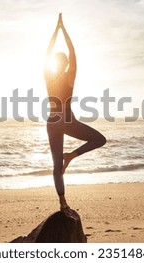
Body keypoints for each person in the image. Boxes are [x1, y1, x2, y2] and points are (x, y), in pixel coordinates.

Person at [44, 13, 106, 210]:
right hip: (67, 118)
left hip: (52, 120)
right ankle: (72, 155)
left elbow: (48, 52)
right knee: (99, 139)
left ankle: (62, 203)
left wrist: (56, 30)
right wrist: (64, 30)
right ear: (67, 65)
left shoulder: (48, 77)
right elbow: (72, 51)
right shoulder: (69, 76)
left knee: (56, 166)